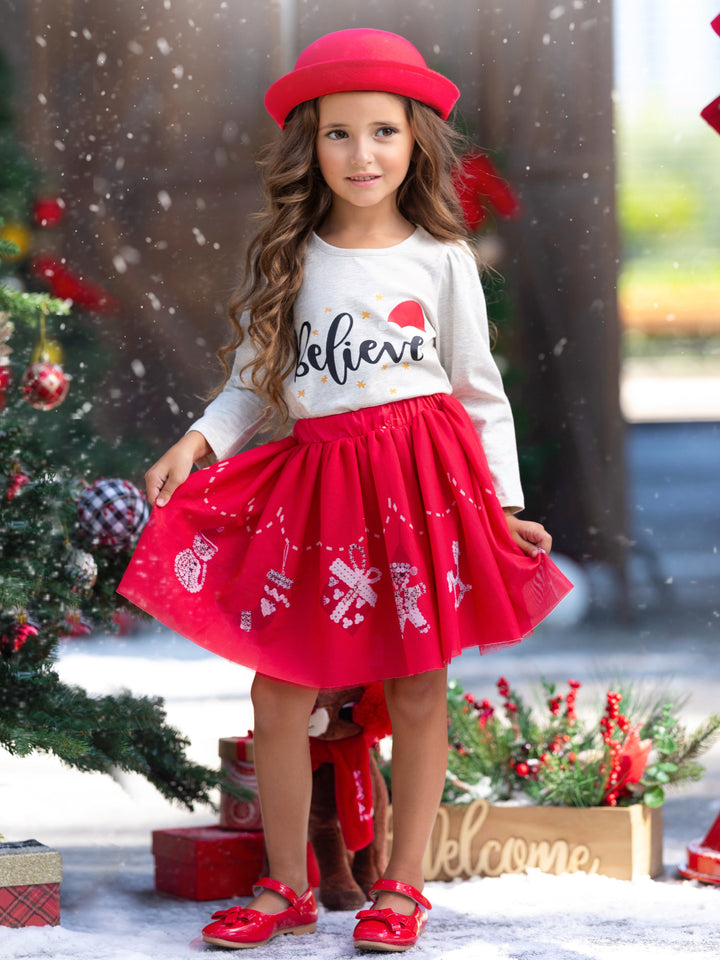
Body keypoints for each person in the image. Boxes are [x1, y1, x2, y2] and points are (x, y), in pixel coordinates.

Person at [119, 28, 572, 953]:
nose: (361, 154)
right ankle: (285, 884)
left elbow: (478, 389)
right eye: (338, 133)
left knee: (417, 687)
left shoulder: (442, 258)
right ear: (310, 145)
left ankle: (402, 888)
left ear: (415, 143)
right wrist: (197, 441)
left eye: (382, 132)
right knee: (281, 688)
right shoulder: (291, 256)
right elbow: (254, 384)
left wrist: (505, 507)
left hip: (422, 487)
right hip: (320, 492)